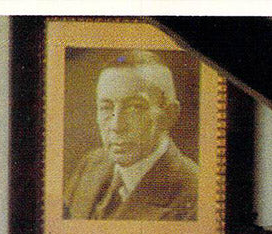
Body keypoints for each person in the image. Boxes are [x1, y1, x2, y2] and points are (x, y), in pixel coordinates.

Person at [63, 51, 199, 221]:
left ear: (169, 114)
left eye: (135, 108)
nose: (116, 126)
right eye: (106, 107)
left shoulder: (196, 195)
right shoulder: (89, 165)